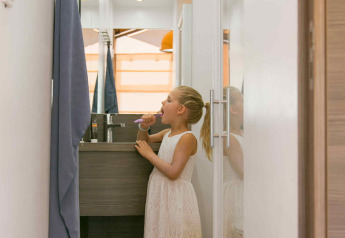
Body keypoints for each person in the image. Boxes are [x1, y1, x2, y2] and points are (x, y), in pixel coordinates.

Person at [135, 85, 211, 238]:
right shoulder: (167, 133)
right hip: (162, 195)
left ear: (181, 109)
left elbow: (173, 172)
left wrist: (149, 155)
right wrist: (144, 127)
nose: (163, 102)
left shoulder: (187, 138)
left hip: (176, 199)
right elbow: (143, 141)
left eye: (169, 100)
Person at [223, 86, 244, 238]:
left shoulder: (243, 134)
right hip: (237, 196)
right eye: (244, 101)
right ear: (234, 109)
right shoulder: (229, 138)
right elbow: (244, 172)